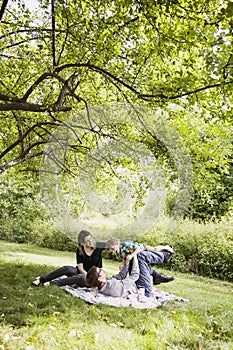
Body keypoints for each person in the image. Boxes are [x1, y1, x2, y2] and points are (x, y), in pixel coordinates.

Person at [87, 249, 173, 298]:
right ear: (100, 278)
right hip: (142, 288)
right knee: (139, 256)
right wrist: (134, 256)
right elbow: (135, 275)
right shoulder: (113, 287)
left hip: (137, 284)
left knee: (137, 261)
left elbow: (121, 276)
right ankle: (163, 256)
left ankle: (156, 275)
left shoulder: (105, 284)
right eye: (100, 271)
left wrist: (127, 263)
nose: (103, 270)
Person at [31, 230, 105, 287]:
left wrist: (115, 248)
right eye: (88, 241)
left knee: (80, 277)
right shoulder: (80, 250)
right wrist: (86, 274)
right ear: (83, 242)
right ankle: (41, 279)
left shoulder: (98, 246)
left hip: (93, 279)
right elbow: (80, 268)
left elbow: (111, 244)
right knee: (68, 268)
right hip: (83, 273)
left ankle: (52, 283)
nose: (91, 242)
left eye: (91, 239)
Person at [106, 236, 174, 285]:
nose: (113, 252)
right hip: (136, 255)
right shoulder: (120, 253)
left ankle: (166, 247)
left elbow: (137, 248)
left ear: (117, 244)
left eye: (113, 249)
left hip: (142, 248)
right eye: (111, 252)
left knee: (155, 249)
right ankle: (157, 276)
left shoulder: (125, 245)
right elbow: (125, 257)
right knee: (137, 265)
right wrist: (122, 264)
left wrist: (132, 255)